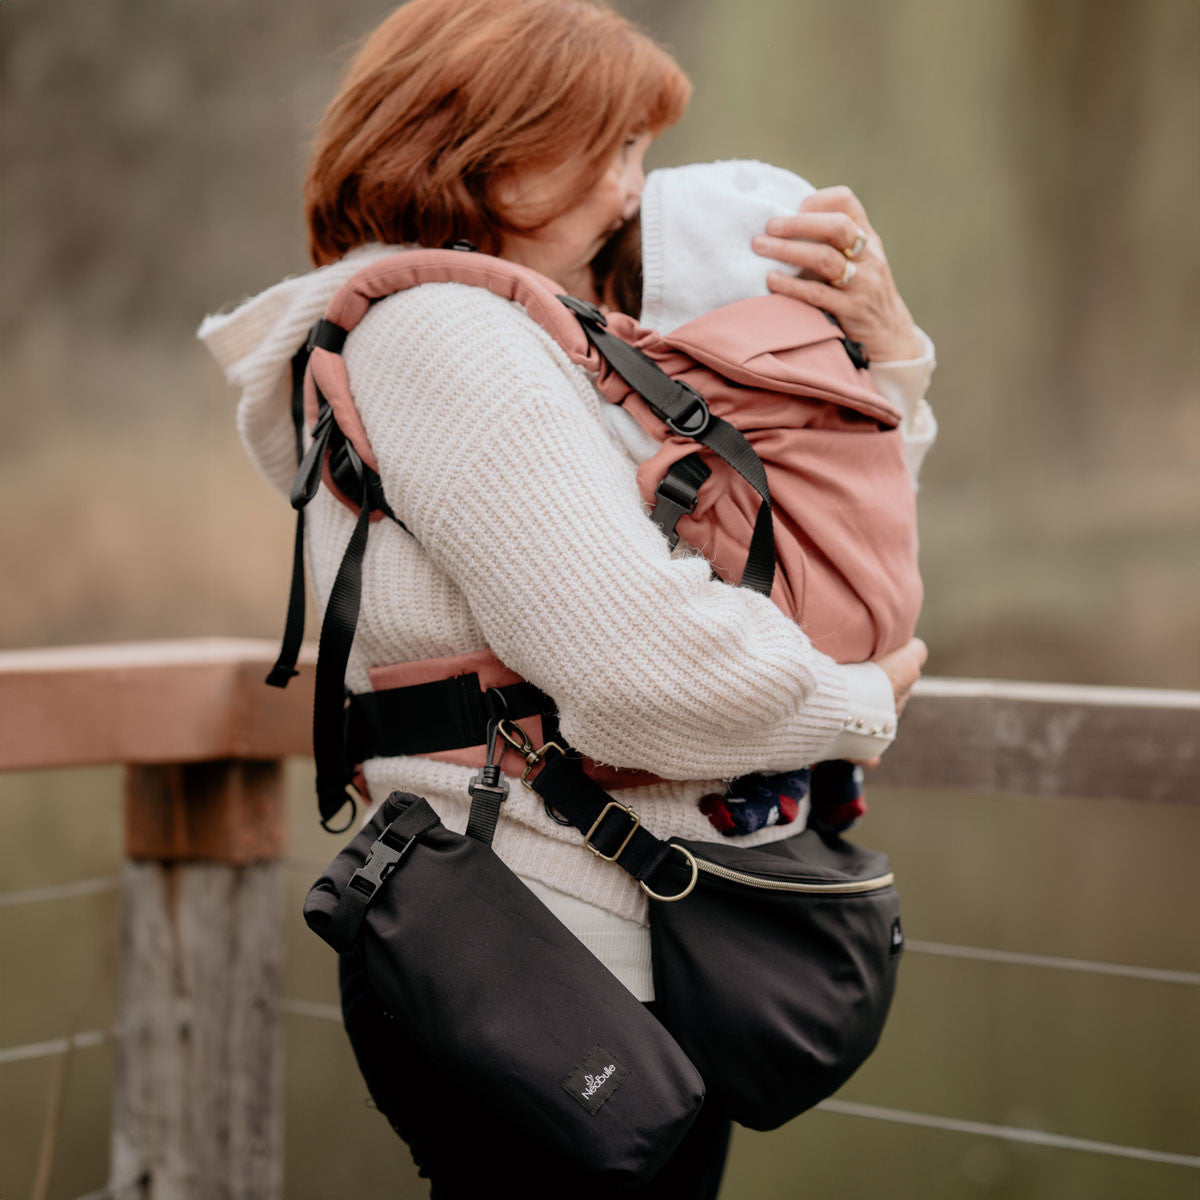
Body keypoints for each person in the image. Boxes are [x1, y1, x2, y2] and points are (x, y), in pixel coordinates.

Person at [198, 1, 929, 1194]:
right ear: (486, 146)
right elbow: (641, 673)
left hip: (596, 947)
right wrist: (859, 701)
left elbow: (819, 559)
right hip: (545, 951)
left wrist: (886, 360)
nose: (636, 190)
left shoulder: (521, 335)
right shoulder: (444, 335)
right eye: (612, 145)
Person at [591, 158, 939, 836]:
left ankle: (775, 785)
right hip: (884, 610)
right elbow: (888, 470)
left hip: (788, 646)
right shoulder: (842, 374)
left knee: (764, 617)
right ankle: (835, 776)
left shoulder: (674, 386)